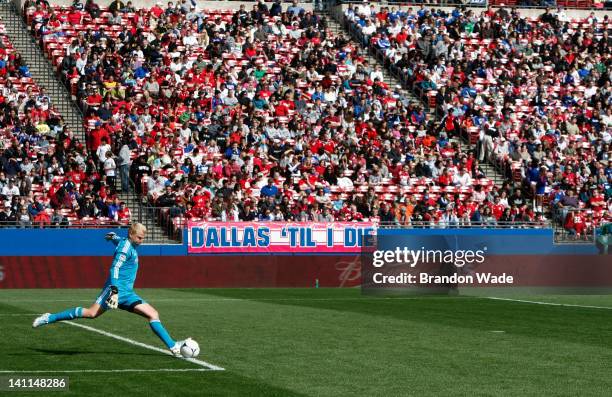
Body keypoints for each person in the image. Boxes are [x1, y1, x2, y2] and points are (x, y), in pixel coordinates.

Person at [32, 223, 188, 356]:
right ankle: (49, 317)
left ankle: (173, 346)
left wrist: (114, 238)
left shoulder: (128, 243)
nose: (141, 241)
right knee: (91, 313)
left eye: (143, 238)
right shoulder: (126, 248)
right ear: (131, 234)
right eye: (139, 237)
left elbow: (121, 241)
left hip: (127, 294)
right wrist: (113, 290)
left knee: (153, 314)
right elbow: (114, 269)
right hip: (114, 291)